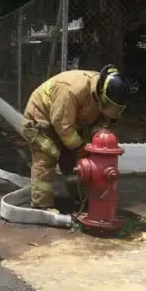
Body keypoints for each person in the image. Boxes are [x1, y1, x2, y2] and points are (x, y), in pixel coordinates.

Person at [20, 65, 130, 212]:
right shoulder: (70, 90)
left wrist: (93, 146)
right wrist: (81, 149)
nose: (113, 111)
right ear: (102, 94)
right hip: (41, 120)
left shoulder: (102, 92)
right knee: (47, 156)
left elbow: (99, 122)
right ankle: (42, 205)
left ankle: (83, 199)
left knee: (76, 164)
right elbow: (63, 125)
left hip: (67, 122)